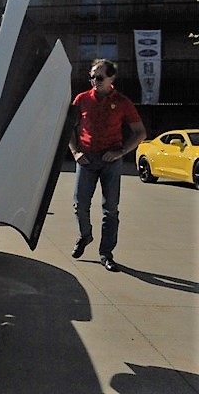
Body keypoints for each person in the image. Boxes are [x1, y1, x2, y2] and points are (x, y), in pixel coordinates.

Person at [68, 59, 146, 272]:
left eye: (100, 77)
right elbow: (68, 128)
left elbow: (140, 133)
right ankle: (85, 235)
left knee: (110, 209)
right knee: (80, 205)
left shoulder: (121, 102)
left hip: (110, 160)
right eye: (92, 77)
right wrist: (75, 152)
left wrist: (121, 152)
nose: (95, 81)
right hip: (86, 159)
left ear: (112, 78)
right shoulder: (82, 99)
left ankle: (106, 254)